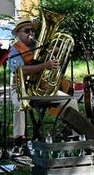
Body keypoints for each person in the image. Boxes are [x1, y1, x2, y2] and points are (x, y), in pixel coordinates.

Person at [8, 17, 75, 152]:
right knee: (18, 105)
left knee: (71, 101)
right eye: (27, 31)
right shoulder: (14, 50)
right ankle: (19, 141)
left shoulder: (40, 46)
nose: (31, 33)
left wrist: (58, 52)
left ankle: (76, 139)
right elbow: (19, 70)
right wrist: (44, 65)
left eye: (32, 30)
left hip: (41, 90)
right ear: (18, 34)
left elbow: (53, 61)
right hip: (21, 89)